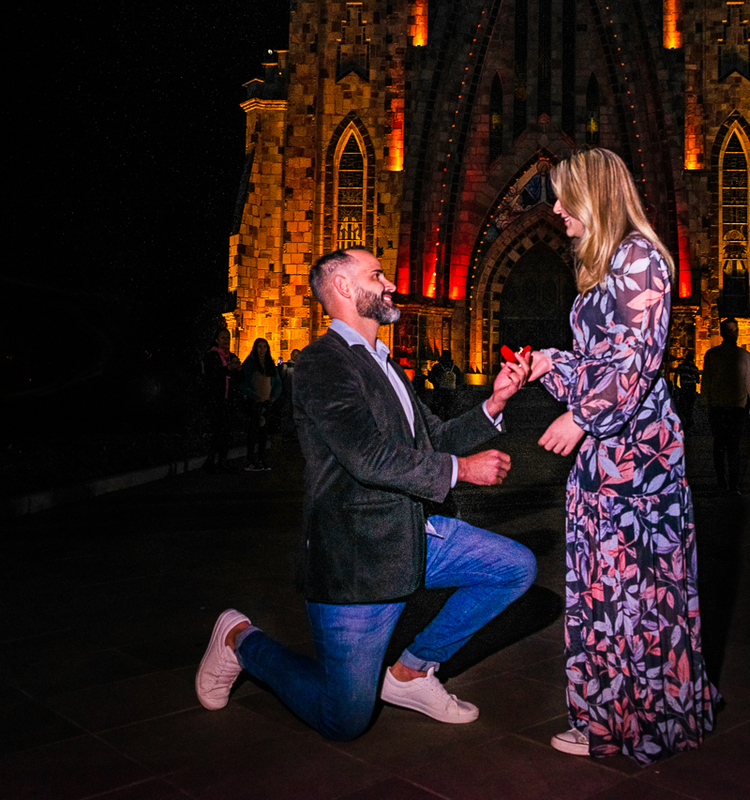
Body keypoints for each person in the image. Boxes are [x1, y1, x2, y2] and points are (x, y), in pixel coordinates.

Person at [195, 247, 537, 742]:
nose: (391, 284)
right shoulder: (320, 363)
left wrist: (495, 402)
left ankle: (413, 671)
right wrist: (460, 470)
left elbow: (432, 439)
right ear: (342, 288)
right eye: (377, 275)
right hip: (359, 555)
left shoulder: (387, 366)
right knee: (344, 719)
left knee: (514, 568)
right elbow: (367, 456)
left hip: (417, 536)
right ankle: (238, 639)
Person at [527, 148, 718, 765]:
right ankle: (619, 713)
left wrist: (580, 416)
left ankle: (626, 723)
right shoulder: (610, 264)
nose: (556, 210)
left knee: (632, 591)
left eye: (564, 197)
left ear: (596, 196)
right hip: (610, 455)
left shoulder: (638, 257)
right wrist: (546, 366)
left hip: (635, 462)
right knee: (609, 586)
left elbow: (635, 362)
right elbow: (600, 364)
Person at [701, 317, 750, 493]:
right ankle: (722, 480)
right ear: (722, 333)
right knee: (720, 445)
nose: (733, 333)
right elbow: (706, 381)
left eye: (735, 330)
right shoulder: (712, 355)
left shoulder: (744, 356)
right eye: (730, 330)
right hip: (718, 405)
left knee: (732, 446)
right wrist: (705, 403)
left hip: (736, 407)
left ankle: (732, 483)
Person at [200, 327, 241, 473]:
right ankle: (211, 460)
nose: (226, 341)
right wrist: (228, 368)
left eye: (228, 337)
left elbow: (237, 379)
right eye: (223, 337)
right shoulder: (212, 356)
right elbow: (212, 376)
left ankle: (222, 460)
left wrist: (237, 370)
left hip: (229, 399)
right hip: (216, 398)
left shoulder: (231, 356)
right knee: (219, 430)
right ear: (217, 340)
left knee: (226, 431)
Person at [240, 338, 281, 471]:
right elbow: (243, 382)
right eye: (259, 346)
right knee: (252, 432)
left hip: (267, 402)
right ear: (255, 348)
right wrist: (253, 395)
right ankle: (251, 461)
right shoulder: (250, 363)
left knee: (263, 432)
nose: (262, 349)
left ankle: (262, 459)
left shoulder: (270, 364)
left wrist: (274, 397)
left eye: (264, 346)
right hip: (254, 402)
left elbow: (277, 382)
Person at [428, 351, 463, 418]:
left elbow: (431, 378)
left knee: (436, 413)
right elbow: (459, 381)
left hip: (439, 393)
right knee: (449, 413)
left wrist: (436, 384)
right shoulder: (455, 368)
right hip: (451, 394)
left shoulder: (437, 367)